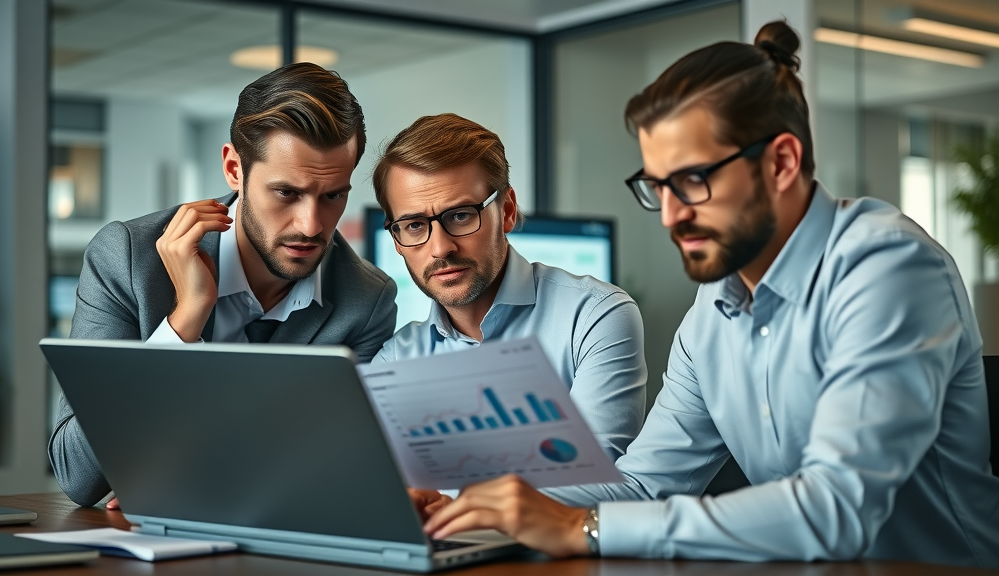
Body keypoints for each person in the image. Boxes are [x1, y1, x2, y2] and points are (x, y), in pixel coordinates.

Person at [421, 22, 999, 569]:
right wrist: (479, 506)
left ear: (781, 162)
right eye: (658, 186)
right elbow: (646, 484)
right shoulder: (715, 311)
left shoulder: (887, 267)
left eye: (693, 180)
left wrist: (585, 529)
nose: (672, 214)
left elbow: (837, 507)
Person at [49, 63, 398, 507]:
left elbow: (343, 466)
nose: (312, 225)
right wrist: (184, 322)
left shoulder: (366, 300)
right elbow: (78, 477)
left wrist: (188, 469)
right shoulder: (128, 259)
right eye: (287, 193)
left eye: (333, 195)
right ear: (235, 169)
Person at [371, 113, 647, 461]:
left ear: (508, 211)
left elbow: (595, 475)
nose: (440, 248)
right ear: (396, 239)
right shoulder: (394, 362)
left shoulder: (593, 316)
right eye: (413, 225)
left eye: (460, 215)